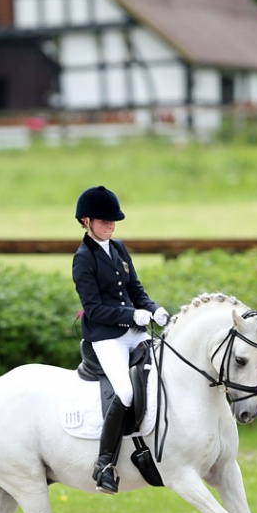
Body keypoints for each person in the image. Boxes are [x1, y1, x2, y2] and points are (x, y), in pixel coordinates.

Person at [72, 185, 169, 494]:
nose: (110, 225)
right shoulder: (83, 258)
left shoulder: (119, 247)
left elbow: (135, 290)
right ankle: (104, 465)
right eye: (104, 221)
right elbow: (94, 309)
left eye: (113, 220)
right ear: (86, 222)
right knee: (126, 392)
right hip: (106, 338)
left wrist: (153, 310)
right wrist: (132, 316)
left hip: (134, 331)